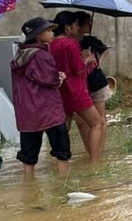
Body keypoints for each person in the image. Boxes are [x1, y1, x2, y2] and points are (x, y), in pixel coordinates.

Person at [11, 17, 71, 177]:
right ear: (38, 35)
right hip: (48, 110)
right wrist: (60, 78)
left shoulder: (20, 54)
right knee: (61, 150)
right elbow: (50, 81)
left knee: (28, 155)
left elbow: (33, 78)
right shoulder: (41, 55)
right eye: (48, 30)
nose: (52, 33)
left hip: (27, 113)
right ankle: (63, 183)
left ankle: (29, 186)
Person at [49, 11, 106, 162]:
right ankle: (95, 162)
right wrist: (86, 60)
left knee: (63, 128)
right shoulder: (71, 44)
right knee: (97, 123)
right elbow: (78, 69)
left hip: (61, 92)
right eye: (76, 24)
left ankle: (61, 162)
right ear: (67, 27)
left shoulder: (50, 45)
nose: (78, 27)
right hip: (76, 91)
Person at [73, 11, 112, 158]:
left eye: (90, 22)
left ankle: (98, 152)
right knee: (82, 122)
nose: (90, 24)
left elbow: (106, 49)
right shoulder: (71, 43)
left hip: (96, 81)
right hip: (80, 84)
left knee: (100, 118)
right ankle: (90, 151)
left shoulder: (92, 41)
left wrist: (98, 61)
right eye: (87, 22)